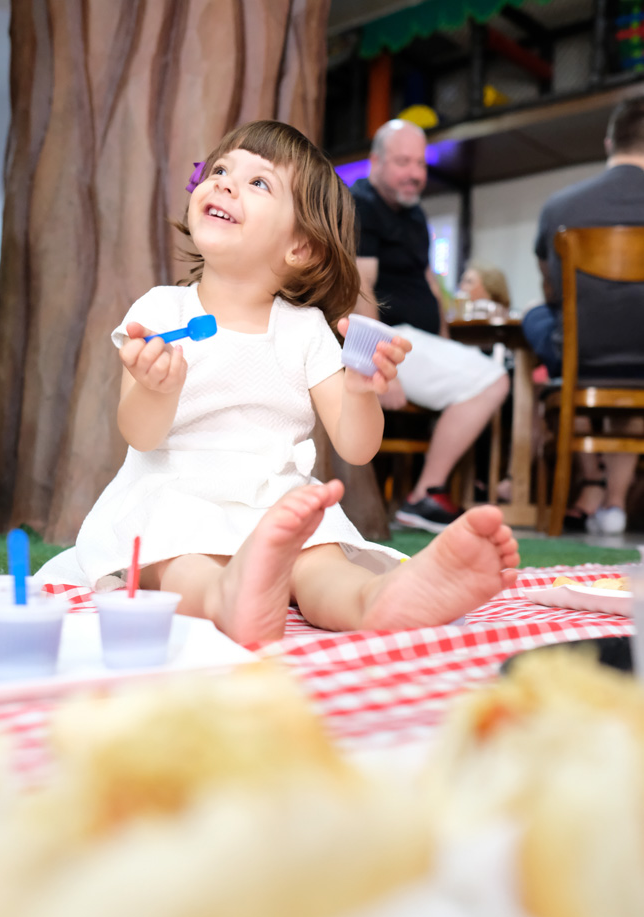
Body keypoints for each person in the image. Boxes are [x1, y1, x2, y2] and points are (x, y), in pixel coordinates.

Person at [36, 120, 519, 644]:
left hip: (277, 498)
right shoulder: (160, 309)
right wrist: (156, 388)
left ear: (301, 248)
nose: (223, 183)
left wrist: (360, 393)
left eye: (258, 182)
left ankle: (375, 599)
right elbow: (140, 435)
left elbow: (357, 448)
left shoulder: (305, 329)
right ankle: (226, 596)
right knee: (175, 558)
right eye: (220, 170)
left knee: (320, 563)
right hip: (177, 491)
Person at [350, 120, 510, 534]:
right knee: (493, 380)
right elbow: (358, 285)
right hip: (387, 338)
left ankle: (424, 492)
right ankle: (425, 494)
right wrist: (375, 360)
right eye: (403, 162)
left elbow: (427, 283)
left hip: (416, 337)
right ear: (375, 162)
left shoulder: (416, 214)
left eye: (420, 163)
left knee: (487, 375)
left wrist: (444, 342)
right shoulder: (360, 204)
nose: (416, 173)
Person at [523, 94, 644, 534]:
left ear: (609, 140)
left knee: (538, 317)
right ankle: (613, 502)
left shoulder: (560, 208)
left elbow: (550, 286)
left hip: (581, 355)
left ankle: (588, 477)